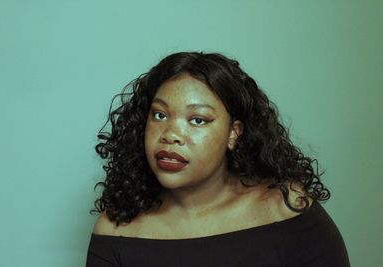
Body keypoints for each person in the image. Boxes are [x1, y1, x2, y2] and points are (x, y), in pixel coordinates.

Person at [86, 51, 350, 267]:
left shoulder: (284, 208)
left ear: (233, 134)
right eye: (160, 115)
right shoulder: (116, 230)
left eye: (197, 120)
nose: (170, 135)